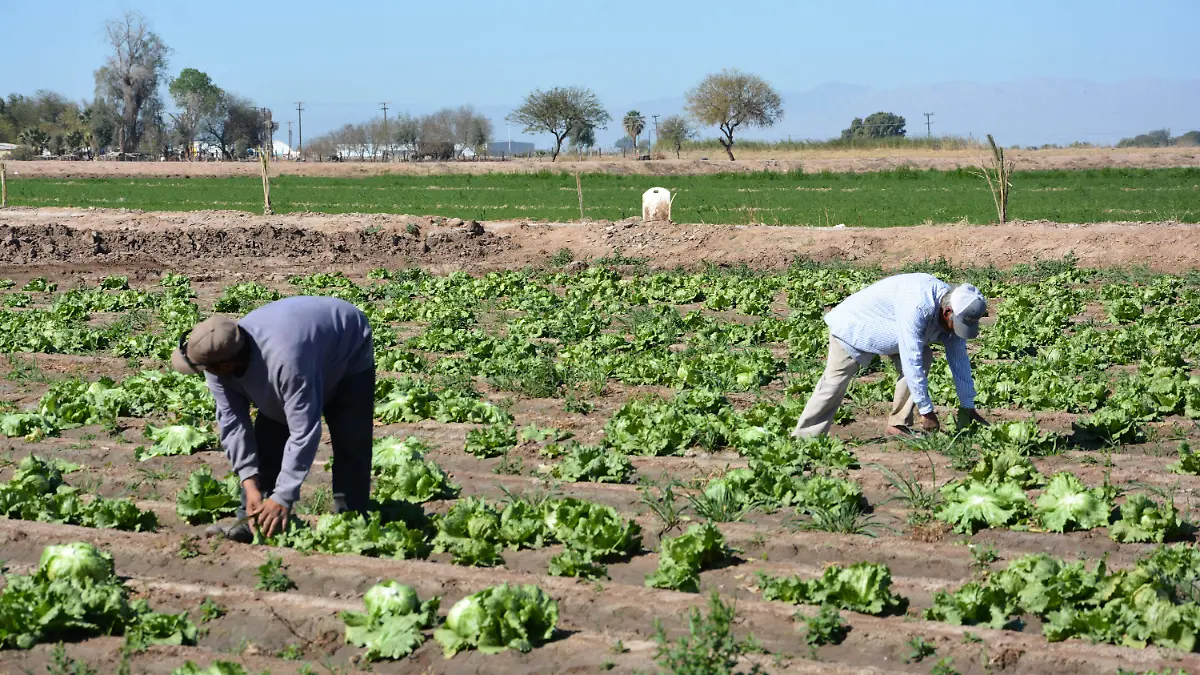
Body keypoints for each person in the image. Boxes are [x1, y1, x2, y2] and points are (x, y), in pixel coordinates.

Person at [171, 296, 375, 542]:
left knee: (350, 439)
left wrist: (284, 496)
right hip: (302, 344)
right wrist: (249, 482)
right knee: (269, 435)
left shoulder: (286, 365)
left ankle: (350, 523)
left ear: (224, 365)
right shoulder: (216, 361)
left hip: (346, 343)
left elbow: (304, 431)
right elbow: (232, 423)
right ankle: (251, 520)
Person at [790, 273, 989, 438]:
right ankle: (804, 437)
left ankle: (898, 424)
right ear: (947, 312)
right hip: (855, 325)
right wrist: (926, 410)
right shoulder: (919, 304)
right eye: (959, 324)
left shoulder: (954, 311)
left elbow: (959, 359)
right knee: (833, 384)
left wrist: (968, 406)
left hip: (890, 329)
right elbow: (911, 358)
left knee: (924, 356)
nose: (958, 331)